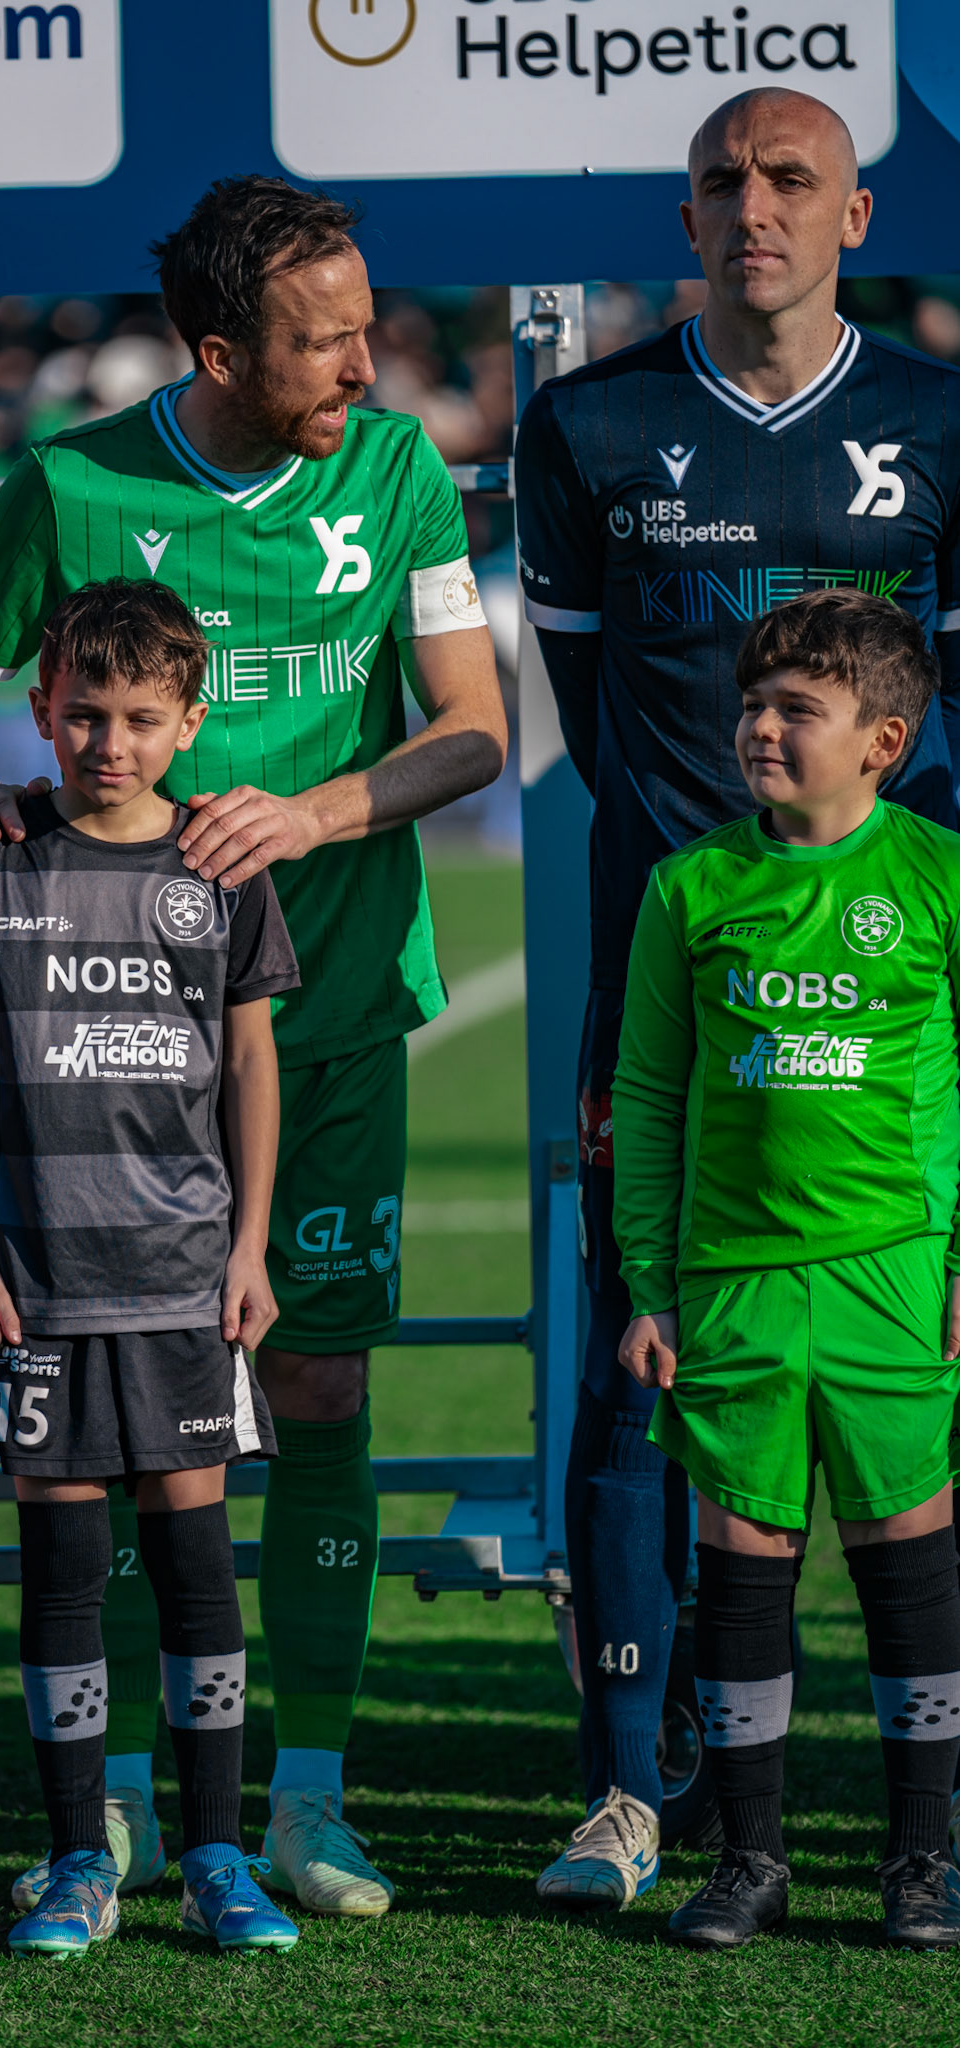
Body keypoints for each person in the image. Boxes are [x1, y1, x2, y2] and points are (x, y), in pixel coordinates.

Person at [0, 175, 506, 1917]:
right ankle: (132, 1808)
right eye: (325, 341)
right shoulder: (75, 483)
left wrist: (312, 815)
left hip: (326, 1019)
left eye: (366, 325)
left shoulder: (394, 472)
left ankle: (304, 1796)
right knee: (121, 1439)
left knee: (315, 1387)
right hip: (107, 1064)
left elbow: (466, 733)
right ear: (220, 350)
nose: (363, 363)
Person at [514, 88, 960, 1906]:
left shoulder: (937, 415)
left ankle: (911, 1823)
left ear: (855, 212)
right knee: (643, 1368)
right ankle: (639, 1784)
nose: (749, 206)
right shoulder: (588, 422)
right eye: (718, 180)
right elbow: (579, 702)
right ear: (682, 213)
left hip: (885, 1011)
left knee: (909, 1408)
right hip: (677, 984)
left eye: (788, 180)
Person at [0, 578, 303, 1956]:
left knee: (197, 1568)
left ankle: (213, 1855)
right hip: (40, 1278)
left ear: (191, 723)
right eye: (84, 714)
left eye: (141, 719)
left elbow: (249, 1062)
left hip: (187, 1278)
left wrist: (248, 1248)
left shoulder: (219, 869)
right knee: (65, 1563)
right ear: (40, 711)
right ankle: (79, 1856)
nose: (109, 743)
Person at [614, 588, 960, 1952]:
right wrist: (649, 1285)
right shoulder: (688, 886)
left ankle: (918, 1863)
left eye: (792, 711)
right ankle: (749, 1860)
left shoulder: (936, 875)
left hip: (888, 1273)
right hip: (732, 1285)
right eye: (750, 705)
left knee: (905, 1561)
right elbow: (646, 1097)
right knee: (742, 1567)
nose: (758, 727)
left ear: (880, 739)